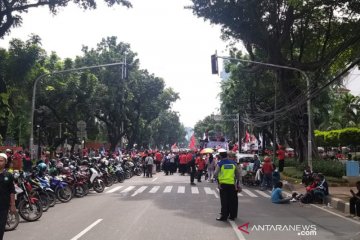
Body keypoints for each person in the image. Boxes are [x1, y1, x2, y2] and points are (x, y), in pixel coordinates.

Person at [214, 149, 241, 221]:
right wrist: (237, 183)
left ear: (220, 156)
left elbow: (215, 174)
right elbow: (238, 174)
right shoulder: (233, 163)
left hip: (223, 185)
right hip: (232, 184)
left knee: (224, 201)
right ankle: (232, 216)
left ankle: (224, 216)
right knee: (232, 200)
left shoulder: (220, 163)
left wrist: (218, 182)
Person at [0, 153, 16, 240]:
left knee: (1, 227)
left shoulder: (8, 175)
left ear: (5, 162)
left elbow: (12, 191)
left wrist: (12, 205)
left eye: (1, 160)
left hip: (3, 206)